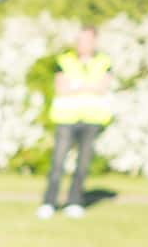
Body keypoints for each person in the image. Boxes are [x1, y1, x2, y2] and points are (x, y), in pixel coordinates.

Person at [38, 25, 114, 220]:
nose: (83, 44)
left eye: (87, 40)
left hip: (92, 118)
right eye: (80, 40)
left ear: (94, 41)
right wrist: (88, 85)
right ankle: (49, 202)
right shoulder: (65, 60)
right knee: (57, 162)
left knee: (83, 164)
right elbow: (61, 88)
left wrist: (77, 84)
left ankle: (74, 202)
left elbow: (102, 87)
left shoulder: (104, 62)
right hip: (66, 118)